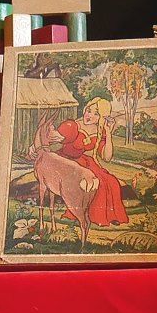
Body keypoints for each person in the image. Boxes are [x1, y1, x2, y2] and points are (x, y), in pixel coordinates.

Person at [52, 97, 129, 227]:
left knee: (111, 181)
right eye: (88, 111)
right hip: (67, 160)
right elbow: (53, 138)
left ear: (102, 118)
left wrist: (108, 133)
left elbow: (107, 157)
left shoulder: (99, 132)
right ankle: (89, 216)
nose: (90, 115)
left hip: (85, 161)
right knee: (92, 181)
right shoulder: (73, 126)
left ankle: (111, 215)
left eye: (96, 114)